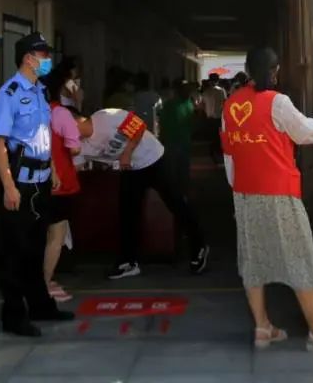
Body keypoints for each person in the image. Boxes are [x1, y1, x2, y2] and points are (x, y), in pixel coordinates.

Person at [220, 47, 313, 355]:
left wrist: (238, 189)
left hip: (244, 193)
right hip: (279, 192)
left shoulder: (231, 104)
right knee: (300, 259)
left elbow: (230, 154)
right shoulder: (277, 102)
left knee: (252, 260)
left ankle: (262, 327)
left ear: (247, 70)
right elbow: (308, 133)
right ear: (276, 70)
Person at [0, 32, 75, 337]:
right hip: (21, 184)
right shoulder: (9, 94)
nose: (47, 60)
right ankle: (13, 316)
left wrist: (51, 167)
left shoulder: (40, 91)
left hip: (41, 181)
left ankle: (40, 306)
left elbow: (42, 135)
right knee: (15, 253)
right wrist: (8, 186)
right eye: (43, 55)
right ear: (28, 58)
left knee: (36, 249)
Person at [72, 107, 210, 280]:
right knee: (127, 214)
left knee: (176, 203)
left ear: (75, 121)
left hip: (155, 159)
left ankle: (199, 246)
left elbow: (138, 125)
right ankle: (128, 262)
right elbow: (74, 168)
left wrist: (127, 152)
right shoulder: (78, 146)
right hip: (131, 170)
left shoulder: (105, 117)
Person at [44, 74, 83, 304]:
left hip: (34, 182)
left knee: (39, 235)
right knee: (56, 237)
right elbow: (74, 148)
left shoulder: (33, 113)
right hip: (60, 183)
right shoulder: (61, 114)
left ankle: (39, 281)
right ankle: (45, 283)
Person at [159, 80, 196, 193]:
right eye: (186, 89)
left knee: (183, 168)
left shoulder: (189, 103)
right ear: (179, 90)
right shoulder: (170, 104)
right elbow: (163, 122)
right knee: (172, 169)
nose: (188, 91)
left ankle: (183, 192)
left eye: (189, 89)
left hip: (185, 141)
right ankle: (173, 192)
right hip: (172, 141)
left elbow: (191, 122)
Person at [201, 73, 227, 162]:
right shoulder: (222, 91)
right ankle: (218, 153)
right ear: (218, 80)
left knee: (212, 136)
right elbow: (225, 103)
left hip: (209, 118)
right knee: (218, 136)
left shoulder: (205, 92)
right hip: (218, 117)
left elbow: (203, 105)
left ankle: (212, 153)